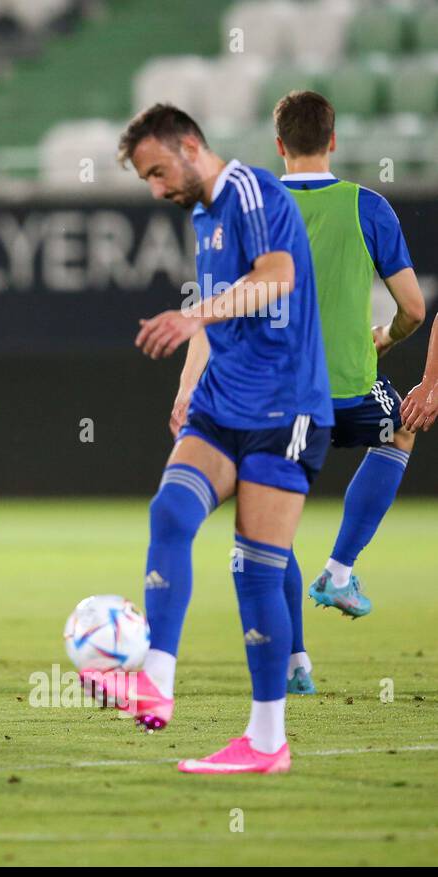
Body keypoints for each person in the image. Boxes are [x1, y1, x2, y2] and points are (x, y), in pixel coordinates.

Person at [88, 103, 333, 775]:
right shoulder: (202, 217)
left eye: (159, 171)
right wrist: (188, 385)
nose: (157, 189)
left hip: (285, 409)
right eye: (146, 179)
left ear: (192, 146)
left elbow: (276, 278)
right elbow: (218, 308)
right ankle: (155, 679)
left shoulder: (252, 190)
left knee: (256, 572)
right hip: (222, 403)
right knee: (170, 512)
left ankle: (266, 741)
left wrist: (190, 314)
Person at [174, 91, 425, 695]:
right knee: (402, 428)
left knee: (266, 518)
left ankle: (295, 667)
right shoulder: (369, 207)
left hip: (274, 396)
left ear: (279, 144)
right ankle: (339, 570)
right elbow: (414, 309)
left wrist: (188, 387)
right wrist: (383, 338)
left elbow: (213, 315)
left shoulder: (248, 211)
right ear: (333, 140)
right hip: (349, 387)